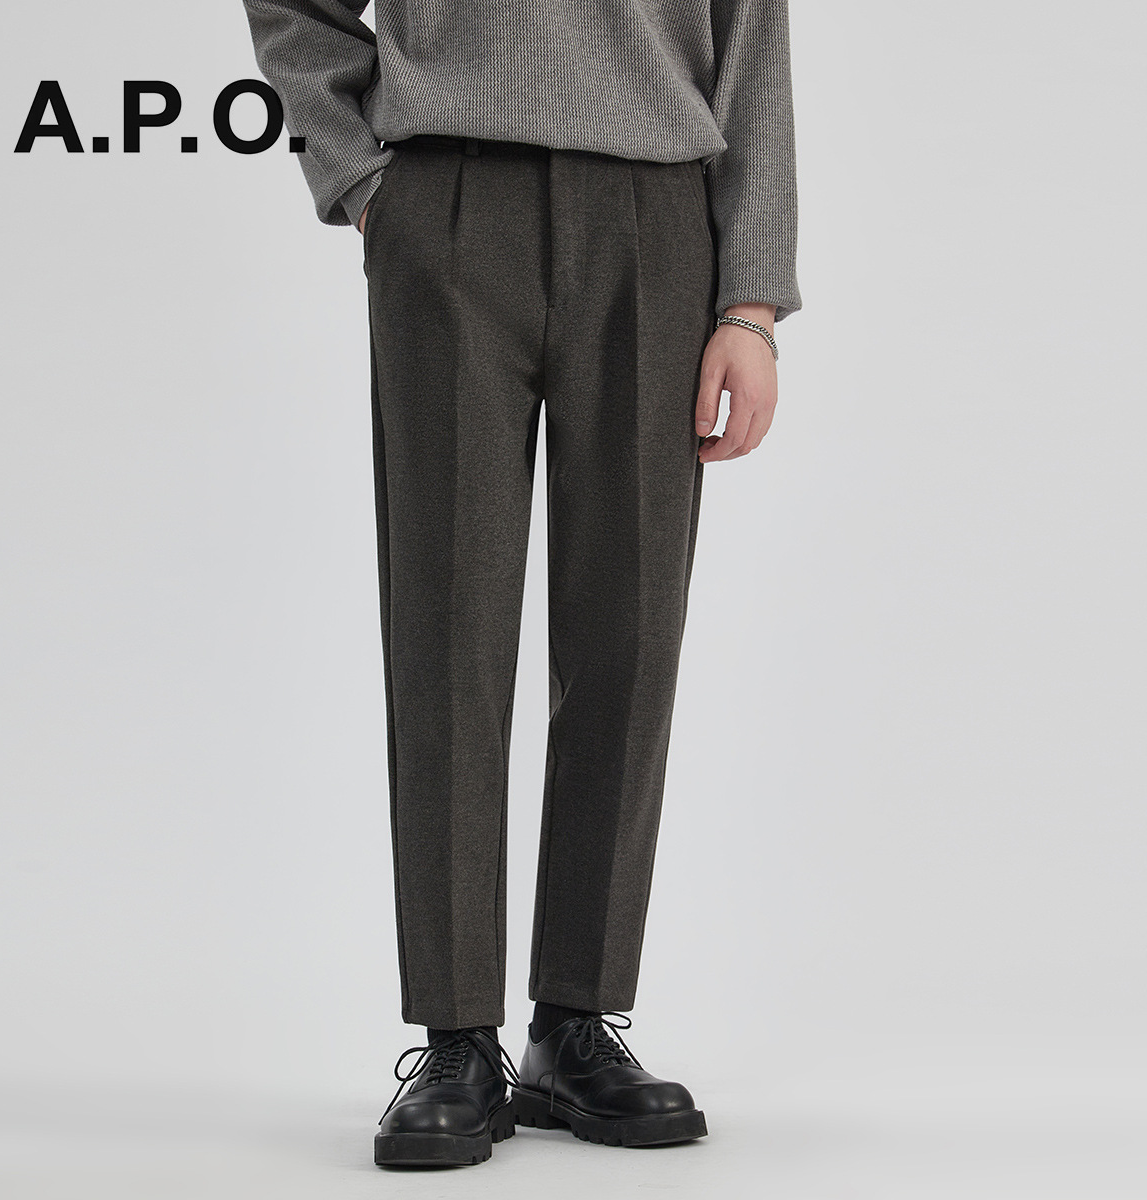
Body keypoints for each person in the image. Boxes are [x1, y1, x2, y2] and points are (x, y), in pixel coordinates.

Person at [242, 0, 801, 1168]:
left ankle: (576, 1024)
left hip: (657, 211)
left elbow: (751, 39)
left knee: (629, 634)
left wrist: (751, 301)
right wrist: (360, 175)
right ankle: (456, 1037)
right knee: (447, 630)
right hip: (448, 198)